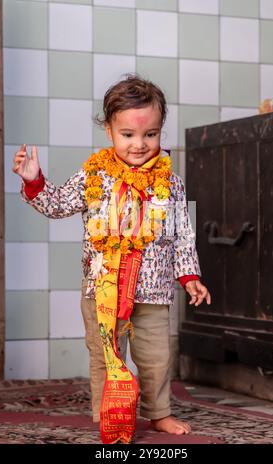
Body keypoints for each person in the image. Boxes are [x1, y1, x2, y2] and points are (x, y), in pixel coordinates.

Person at [12, 74, 211, 444]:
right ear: (109, 131)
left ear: (160, 131)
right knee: (105, 352)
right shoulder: (95, 175)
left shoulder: (172, 182)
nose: (140, 145)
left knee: (156, 358)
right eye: (128, 135)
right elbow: (57, 205)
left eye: (150, 134)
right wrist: (34, 180)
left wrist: (189, 276)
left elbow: (183, 232)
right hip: (102, 288)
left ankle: (159, 413)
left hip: (151, 290)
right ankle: (110, 414)